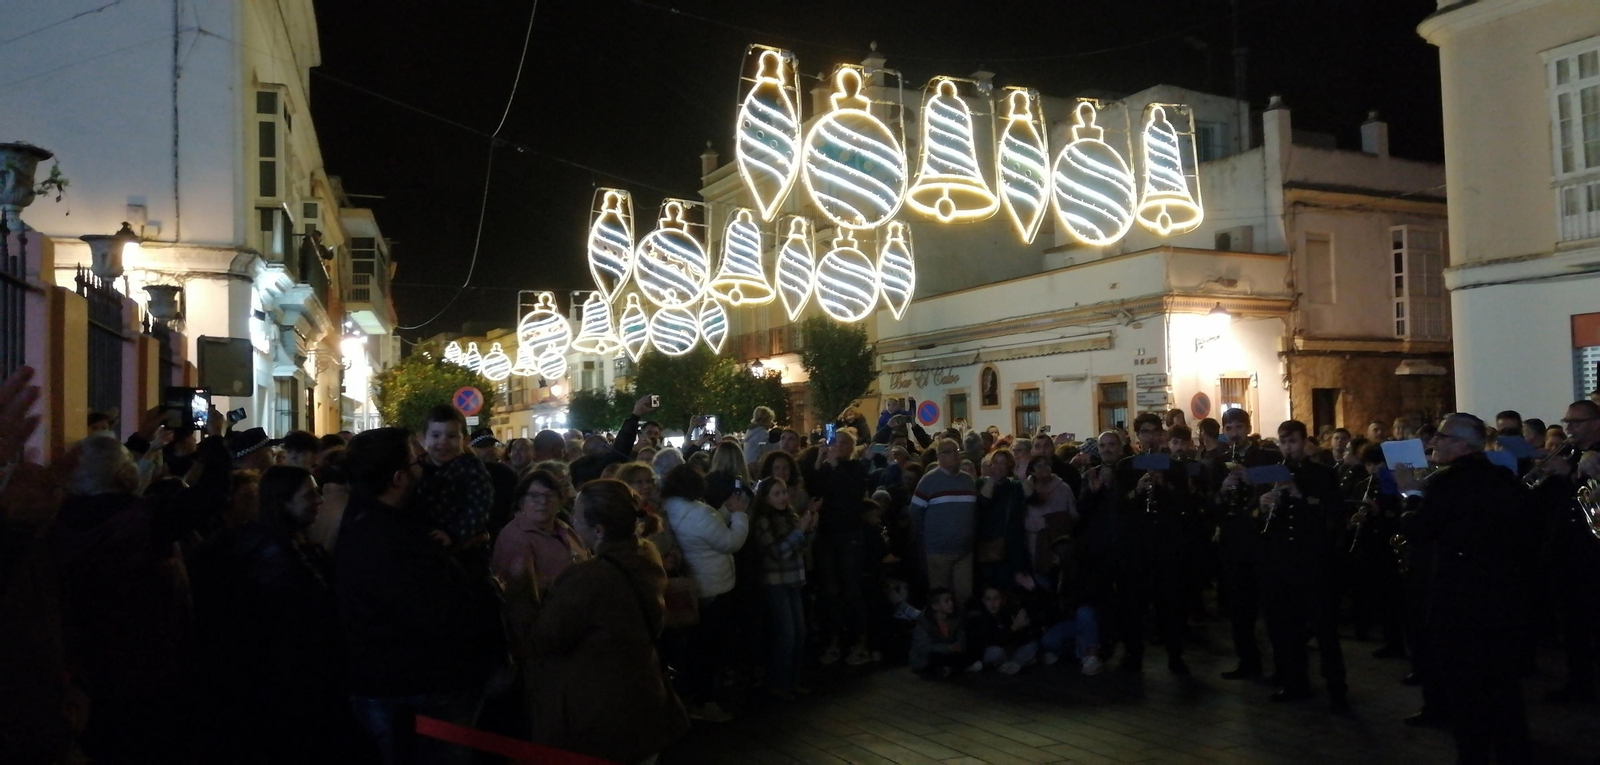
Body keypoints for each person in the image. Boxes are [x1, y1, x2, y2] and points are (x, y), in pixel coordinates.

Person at [51, 425, 231, 761]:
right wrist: (216, 440)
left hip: (83, 666)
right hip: (151, 661)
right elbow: (211, 494)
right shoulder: (145, 518)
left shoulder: (53, 523)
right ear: (124, 473)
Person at [335, 428, 506, 764]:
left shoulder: (373, 520)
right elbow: (428, 611)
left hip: (393, 681)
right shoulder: (386, 537)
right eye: (416, 460)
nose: (424, 465)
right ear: (398, 479)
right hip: (418, 687)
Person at [189, 465, 359, 761]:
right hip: (287, 684)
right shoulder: (278, 555)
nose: (319, 500)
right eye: (309, 495)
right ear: (282, 502)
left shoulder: (269, 543)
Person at [1395, 413, 1533, 762]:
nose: (1433, 442)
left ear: (1461, 444)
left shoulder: (1448, 483)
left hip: (1458, 600)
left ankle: (1473, 754)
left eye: (1441, 437)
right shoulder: (1503, 479)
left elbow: (1419, 529)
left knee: (1465, 687)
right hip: (1501, 597)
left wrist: (1410, 492)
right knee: (1503, 684)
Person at [524, 479, 690, 763]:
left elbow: (544, 638)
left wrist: (523, 590)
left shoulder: (589, 577)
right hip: (646, 699)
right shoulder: (646, 553)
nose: (571, 520)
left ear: (599, 530)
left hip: (601, 713)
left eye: (577, 516)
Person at [1257, 420, 1347, 710]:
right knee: (1288, 626)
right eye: (1283, 442)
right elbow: (1263, 522)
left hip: (1314, 562)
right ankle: (1295, 682)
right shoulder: (1273, 474)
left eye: (1293, 442)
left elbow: (1335, 511)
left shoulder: (1322, 474)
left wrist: (1301, 496)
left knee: (1324, 628)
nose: (1288, 448)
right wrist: (1263, 505)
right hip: (1283, 562)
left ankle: (1337, 689)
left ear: (1305, 442)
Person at [660, 465, 748, 723]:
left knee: (698, 646)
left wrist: (726, 511)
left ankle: (695, 698)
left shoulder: (671, 509)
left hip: (697, 583)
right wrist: (739, 514)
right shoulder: (697, 512)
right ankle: (703, 700)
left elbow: (710, 528)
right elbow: (730, 542)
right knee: (710, 648)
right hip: (713, 584)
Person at [491, 470, 591, 661]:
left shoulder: (565, 530)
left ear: (560, 501)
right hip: (547, 633)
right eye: (534, 496)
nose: (543, 501)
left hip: (577, 625)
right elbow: (519, 598)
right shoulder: (516, 537)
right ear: (521, 502)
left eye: (549, 495)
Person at [1212, 408, 1280, 680]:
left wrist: (1250, 479)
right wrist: (1222, 489)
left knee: (1270, 606)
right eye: (1229, 428)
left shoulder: (1265, 457)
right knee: (1239, 607)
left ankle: (1281, 666)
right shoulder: (1219, 461)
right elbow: (1210, 501)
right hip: (1233, 539)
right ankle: (1247, 661)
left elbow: (1275, 489)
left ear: (1248, 429)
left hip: (1261, 538)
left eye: (1238, 427)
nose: (1234, 434)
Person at [809, 428, 875, 666]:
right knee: (830, 590)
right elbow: (815, 492)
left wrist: (835, 466)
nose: (838, 446)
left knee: (851, 588)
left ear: (851, 446)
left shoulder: (856, 468)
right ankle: (834, 641)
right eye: (836, 442)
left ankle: (861, 643)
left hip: (849, 535)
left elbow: (851, 493)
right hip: (827, 536)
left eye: (844, 442)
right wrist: (820, 463)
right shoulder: (827, 468)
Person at [751, 476, 819, 700]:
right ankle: (780, 684)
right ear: (766, 498)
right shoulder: (762, 521)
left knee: (799, 632)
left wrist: (808, 528)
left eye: (783, 493)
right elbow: (777, 553)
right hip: (776, 582)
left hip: (794, 579)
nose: (782, 498)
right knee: (786, 634)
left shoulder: (789, 516)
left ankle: (793, 681)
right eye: (776, 494)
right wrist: (800, 531)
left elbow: (799, 547)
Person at [414, 405, 495, 572]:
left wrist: (454, 534)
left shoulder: (471, 469)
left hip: (466, 552)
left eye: (451, 436)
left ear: (464, 440)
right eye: (436, 435)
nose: (443, 442)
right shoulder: (418, 469)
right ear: (423, 439)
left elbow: (478, 507)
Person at [911, 438, 979, 609]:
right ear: (939, 457)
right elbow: (915, 513)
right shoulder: (929, 481)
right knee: (941, 597)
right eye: (948, 452)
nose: (954, 455)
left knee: (965, 596)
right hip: (938, 552)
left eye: (956, 451)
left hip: (964, 551)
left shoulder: (968, 480)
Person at [570, 394, 653, 488]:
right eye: (607, 443)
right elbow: (621, 449)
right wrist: (635, 415)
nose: (611, 446)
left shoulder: (579, 468)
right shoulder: (599, 467)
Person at [967, 586, 1040, 674]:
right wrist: (1014, 628)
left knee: (1032, 645)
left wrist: (1022, 627)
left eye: (996, 598)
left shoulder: (1005, 615)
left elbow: (1014, 640)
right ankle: (1008, 665)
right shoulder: (979, 618)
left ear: (1002, 600)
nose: (993, 603)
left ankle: (1012, 664)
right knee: (996, 651)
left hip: (1007, 652)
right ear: (983, 601)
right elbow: (995, 641)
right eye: (988, 599)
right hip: (990, 652)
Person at [470, 428, 520, 538]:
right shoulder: (467, 473)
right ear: (471, 449)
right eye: (483, 446)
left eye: (492, 445)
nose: (490, 449)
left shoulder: (507, 472)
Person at [909, 587, 968, 678]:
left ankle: (948, 670)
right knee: (935, 657)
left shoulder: (955, 618)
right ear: (935, 606)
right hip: (926, 658)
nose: (951, 603)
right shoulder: (925, 621)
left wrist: (958, 645)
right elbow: (922, 647)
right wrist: (947, 648)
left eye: (951, 600)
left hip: (949, 653)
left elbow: (961, 635)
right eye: (946, 601)